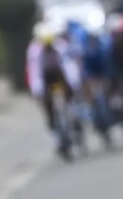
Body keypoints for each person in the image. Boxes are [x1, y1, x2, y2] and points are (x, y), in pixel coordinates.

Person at [26, 22, 83, 153]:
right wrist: (36, 89)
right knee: (47, 107)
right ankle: (56, 135)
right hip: (46, 81)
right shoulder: (34, 50)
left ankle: (74, 114)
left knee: (70, 97)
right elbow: (34, 70)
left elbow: (68, 65)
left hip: (61, 78)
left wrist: (74, 81)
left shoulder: (61, 45)